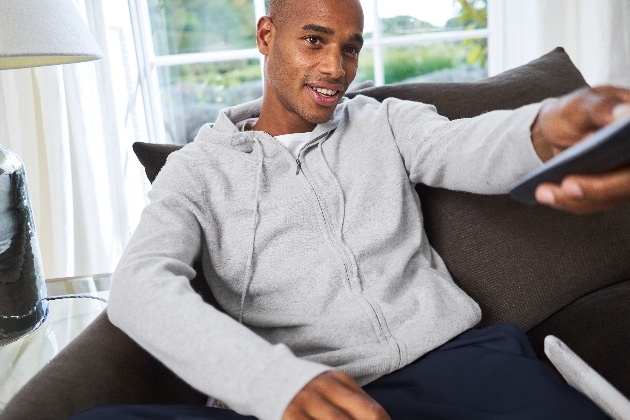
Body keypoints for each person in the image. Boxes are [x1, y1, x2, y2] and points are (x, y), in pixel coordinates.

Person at [76, 0, 630, 419]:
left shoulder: (383, 121)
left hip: (457, 362)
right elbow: (140, 285)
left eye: (349, 47)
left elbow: (472, 146)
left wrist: (545, 126)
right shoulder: (197, 171)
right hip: (314, 394)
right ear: (267, 35)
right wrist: (275, 384)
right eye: (314, 41)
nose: (336, 68)